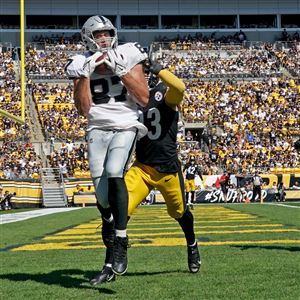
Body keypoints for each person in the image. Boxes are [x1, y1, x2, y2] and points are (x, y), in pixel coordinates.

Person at [90, 61, 201, 285]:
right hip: (141, 167)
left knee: (179, 212)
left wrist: (159, 68)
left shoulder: (163, 95)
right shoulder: (129, 100)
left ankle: (192, 245)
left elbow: (179, 88)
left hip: (167, 169)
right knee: (118, 213)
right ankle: (110, 265)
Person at [65, 15, 149, 277]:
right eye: (98, 34)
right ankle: (110, 222)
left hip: (125, 123)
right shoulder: (80, 61)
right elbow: (83, 109)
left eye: (107, 33)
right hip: (96, 128)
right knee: (102, 198)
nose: (104, 38)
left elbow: (144, 98)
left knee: (115, 171)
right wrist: (84, 76)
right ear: (88, 37)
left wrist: (122, 71)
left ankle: (121, 240)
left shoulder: (128, 52)